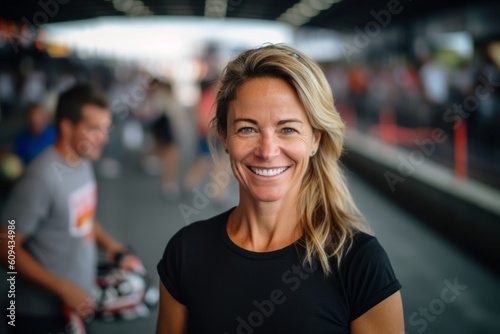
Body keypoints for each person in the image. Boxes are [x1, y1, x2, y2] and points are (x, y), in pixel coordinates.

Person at [156, 44, 404, 333]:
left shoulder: (359, 262)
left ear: (314, 140)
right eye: (247, 129)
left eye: (287, 129)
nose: (267, 150)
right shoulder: (186, 251)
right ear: (224, 137)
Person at [0, 84, 135, 334]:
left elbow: (80, 217)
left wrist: (110, 245)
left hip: (77, 307)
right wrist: (63, 288)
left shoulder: (81, 160)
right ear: (66, 127)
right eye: (94, 129)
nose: (103, 137)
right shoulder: (41, 178)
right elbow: (5, 246)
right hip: (38, 316)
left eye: (105, 128)